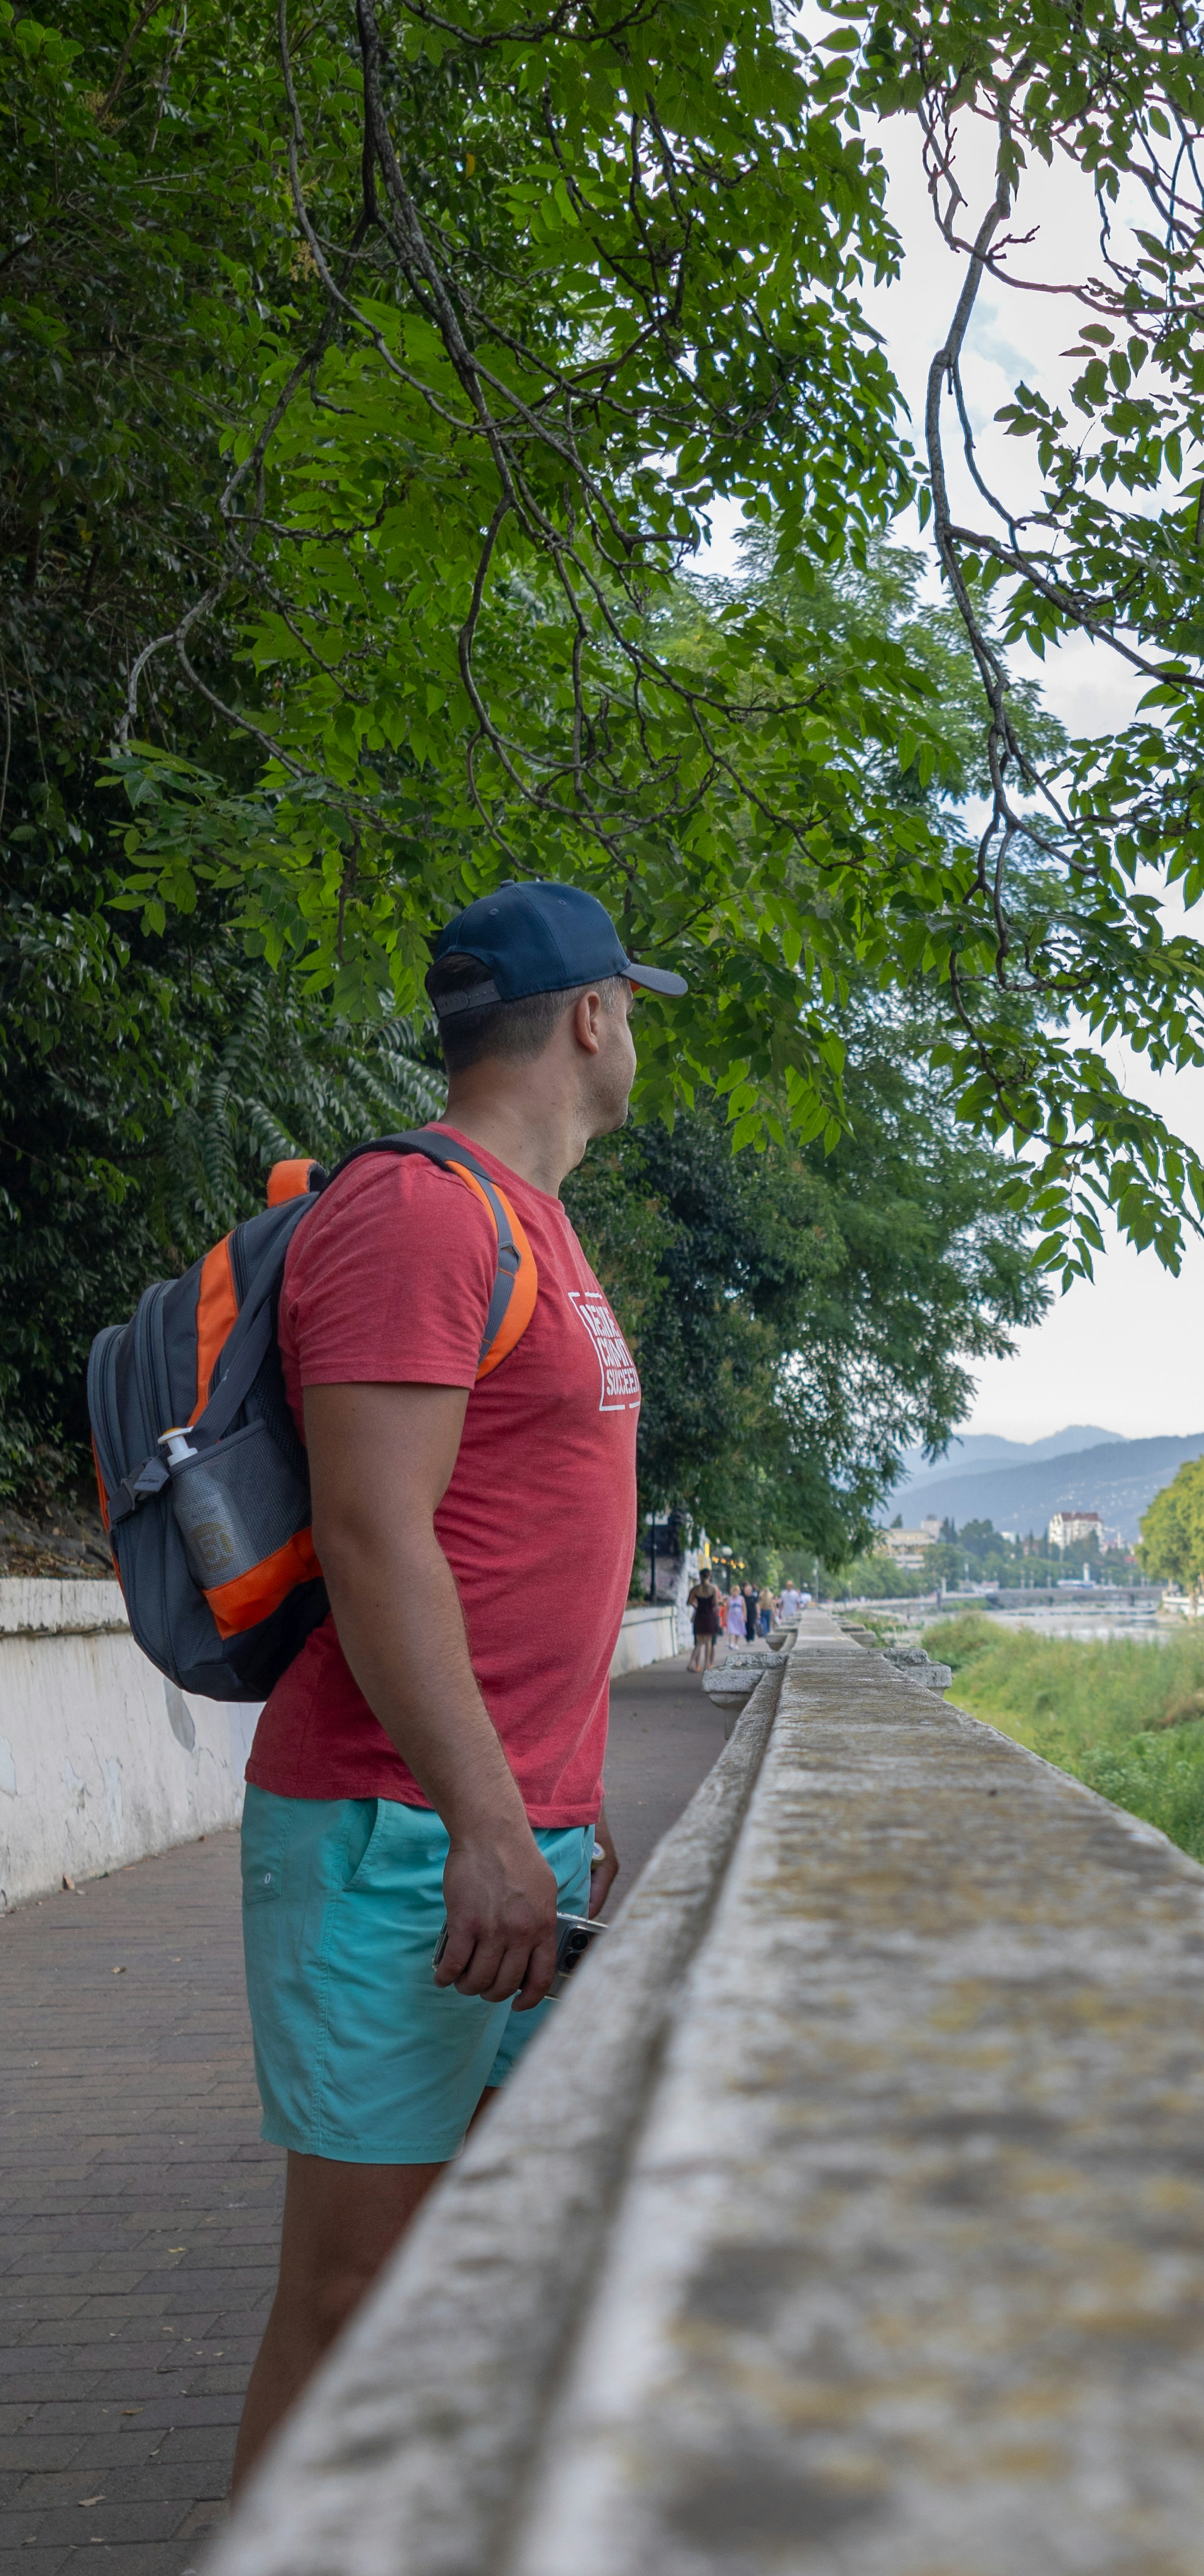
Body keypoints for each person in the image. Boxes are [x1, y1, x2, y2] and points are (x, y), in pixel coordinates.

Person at [230, 876, 685, 2492]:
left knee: (472, 2277)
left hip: (498, 1829)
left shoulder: (534, 1223)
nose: (633, 1037)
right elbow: (374, 1536)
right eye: (630, 1010)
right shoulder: (420, 1215)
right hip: (395, 1833)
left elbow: (519, 1544)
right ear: (590, 1018)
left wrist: (557, 1800)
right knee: (351, 2295)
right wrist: (490, 1822)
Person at [689, 1569, 721, 1671]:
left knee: (699, 1642)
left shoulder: (696, 1589)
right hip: (709, 1616)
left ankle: (691, 1663)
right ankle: (707, 1665)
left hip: (699, 1615)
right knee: (709, 1641)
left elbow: (689, 1601)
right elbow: (715, 1604)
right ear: (710, 1576)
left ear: (701, 1577)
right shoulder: (713, 1588)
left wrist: (696, 1607)